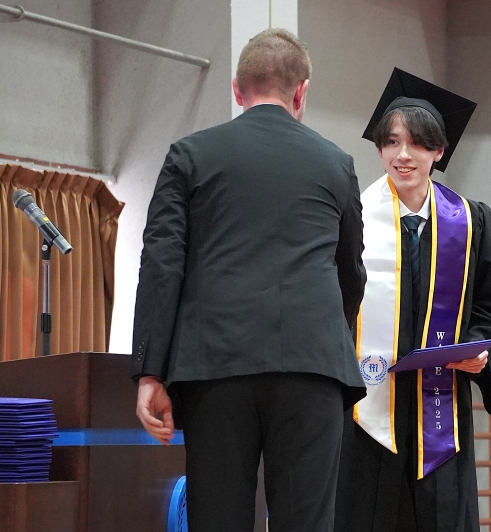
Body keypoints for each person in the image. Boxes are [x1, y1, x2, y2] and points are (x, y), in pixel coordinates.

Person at [130, 28, 367, 532]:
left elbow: (161, 265)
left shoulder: (189, 156)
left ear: (237, 89)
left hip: (215, 367)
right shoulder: (337, 164)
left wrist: (151, 371)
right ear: (301, 92)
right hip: (313, 367)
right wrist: (326, 334)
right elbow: (350, 271)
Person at [334, 68, 491, 532]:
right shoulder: (352, 219)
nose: (403, 155)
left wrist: (479, 348)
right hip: (366, 408)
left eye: (418, 144)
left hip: (441, 410)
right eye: (391, 142)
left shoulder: (471, 221)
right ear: (379, 149)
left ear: (439, 151)